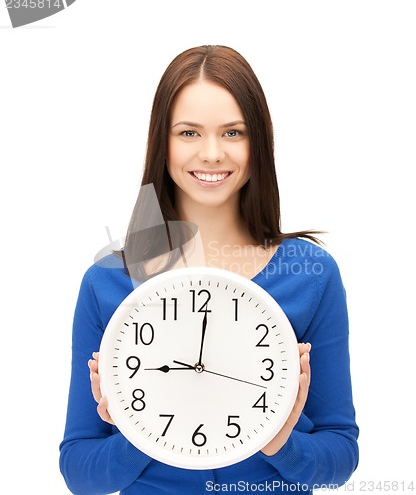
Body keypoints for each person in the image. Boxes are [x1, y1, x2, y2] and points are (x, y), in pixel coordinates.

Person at [59, 45, 359, 494]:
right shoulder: (107, 281)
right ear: (162, 142)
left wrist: (280, 441)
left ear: (258, 141)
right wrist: (141, 432)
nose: (213, 153)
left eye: (233, 132)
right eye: (189, 133)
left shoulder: (312, 273)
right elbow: (79, 471)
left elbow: (340, 455)